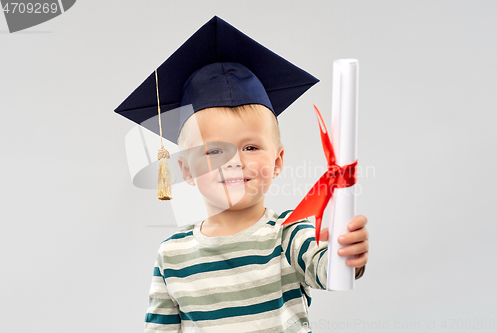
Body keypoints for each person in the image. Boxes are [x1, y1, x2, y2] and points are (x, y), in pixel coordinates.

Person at [114, 16, 368, 333]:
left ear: (277, 162)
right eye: (214, 151)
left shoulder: (288, 235)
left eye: (250, 148)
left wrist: (347, 255)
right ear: (186, 170)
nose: (234, 162)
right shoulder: (172, 256)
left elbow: (327, 270)